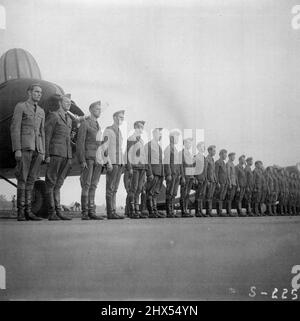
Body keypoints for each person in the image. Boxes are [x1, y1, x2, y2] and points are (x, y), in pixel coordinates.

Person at [10, 83, 44, 221]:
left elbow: (42, 132)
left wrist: (43, 151)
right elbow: (15, 128)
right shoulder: (21, 106)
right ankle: (21, 212)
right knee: (22, 179)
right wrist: (17, 149)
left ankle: (29, 212)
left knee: (31, 180)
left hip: (37, 149)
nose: (39, 94)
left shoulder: (41, 111)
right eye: (36, 92)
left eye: (40, 92)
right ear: (29, 92)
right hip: (24, 147)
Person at [45, 94, 73, 221]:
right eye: (66, 102)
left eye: (70, 102)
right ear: (60, 103)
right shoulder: (54, 115)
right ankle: (51, 212)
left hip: (66, 155)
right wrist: (47, 154)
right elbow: (47, 136)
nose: (68, 104)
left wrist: (70, 156)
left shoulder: (69, 119)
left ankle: (58, 211)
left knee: (58, 184)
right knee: (50, 183)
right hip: (55, 153)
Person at [76, 101, 103, 220]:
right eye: (97, 109)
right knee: (86, 185)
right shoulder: (85, 124)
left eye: (100, 109)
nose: (99, 111)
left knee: (94, 185)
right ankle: (85, 212)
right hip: (88, 159)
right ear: (91, 110)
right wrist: (82, 160)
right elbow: (79, 143)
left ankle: (92, 211)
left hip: (97, 160)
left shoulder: (98, 125)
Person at [101, 110, 125, 219]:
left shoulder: (119, 132)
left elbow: (120, 148)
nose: (121, 119)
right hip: (112, 163)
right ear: (114, 117)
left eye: (123, 118)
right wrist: (107, 162)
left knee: (115, 188)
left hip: (119, 163)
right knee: (110, 188)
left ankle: (114, 210)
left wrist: (123, 163)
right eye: (120, 117)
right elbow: (104, 148)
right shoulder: (108, 130)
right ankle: (110, 212)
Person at [126, 120, 148, 219]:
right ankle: (132, 211)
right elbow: (128, 154)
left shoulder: (141, 140)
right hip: (134, 168)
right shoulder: (131, 139)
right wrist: (129, 167)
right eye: (138, 126)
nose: (140, 129)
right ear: (134, 127)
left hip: (142, 168)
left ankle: (137, 210)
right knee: (133, 189)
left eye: (142, 127)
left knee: (139, 189)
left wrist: (146, 168)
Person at [144, 128, 166, 218]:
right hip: (153, 172)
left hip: (160, 173)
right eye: (158, 134)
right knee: (150, 192)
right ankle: (151, 211)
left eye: (161, 134)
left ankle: (155, 210)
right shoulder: (148, 145)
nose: (160, 136)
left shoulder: (159, 146)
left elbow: (161, 161)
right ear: (154, 134)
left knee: (156, 193)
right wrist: (149, 173)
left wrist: (163, 173)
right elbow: (147, 160)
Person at [164, 130, 183, 218]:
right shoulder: (168, 149)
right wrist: (168, 174)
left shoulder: (175, 149)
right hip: (171, 174)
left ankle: (172, 211)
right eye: (176, 137)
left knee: (174, 193)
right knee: (170, 192)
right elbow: (166, 162)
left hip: (176, 175)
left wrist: (179, 174)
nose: (178, 139)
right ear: (171, 138)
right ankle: (169, 212)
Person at [179, 138, 194, 217]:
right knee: (183, 194)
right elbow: (181, 165)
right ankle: (183, 211)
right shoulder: (181, 153)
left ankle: (186, 209)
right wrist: (182, 176)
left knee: (187, 194)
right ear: (184, 144)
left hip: (190, 177)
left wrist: (192, 176)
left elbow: (191, 166)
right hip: (185, 176)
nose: (189, 145)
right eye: (188, 143)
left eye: (190, 143)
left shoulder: (190, 154)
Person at [194, 142, 207, 217]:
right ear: (198, 148)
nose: (203, 148)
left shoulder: (204, 157)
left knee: (201, 195)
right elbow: (193, 168)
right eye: (202, 147)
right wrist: (195, 177)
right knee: (198, 195)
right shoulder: (196, 157)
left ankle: (200, 211)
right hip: (198, 178)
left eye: (204, 147)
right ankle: (197, 212)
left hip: (204, 179)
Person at [214, 149, 228, 217]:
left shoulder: (224, 163)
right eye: (225, 154)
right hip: (220, 182)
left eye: (226, 154)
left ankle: (220, 211)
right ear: (221, 154)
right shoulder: (217, 162)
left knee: (222, 197)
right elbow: (216, 173)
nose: (226, 156)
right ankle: (219, 211)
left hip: (224, 182)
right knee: (219, 197)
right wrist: (217, 182)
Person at [205, 145, 217, 217]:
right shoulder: (207, 159)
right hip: (209, 180)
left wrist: (215, 180)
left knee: (211, 196)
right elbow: (205, 171)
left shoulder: (212, 159)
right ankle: (208, 212)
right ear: (209, 151)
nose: (214, 152)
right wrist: (207, 181)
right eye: (213, 151)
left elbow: (213, 171)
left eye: (215, 151)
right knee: (208, 196)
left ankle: (210, 211)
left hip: (213, 180)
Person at [226, 152, 237, 217]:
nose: (234, 158)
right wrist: (229, 183)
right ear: (229, 157)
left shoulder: (232, 164)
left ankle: (229, 211)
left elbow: (234, 175)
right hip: (231, 183)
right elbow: (228, 174)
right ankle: (229, 211)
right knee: (229, 198)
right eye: (233, 156)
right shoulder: (228, 164)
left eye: (234, 156)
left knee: (231, 198)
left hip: (234, 183)